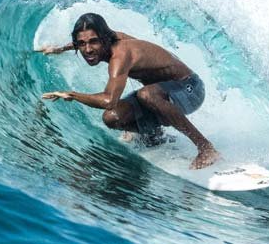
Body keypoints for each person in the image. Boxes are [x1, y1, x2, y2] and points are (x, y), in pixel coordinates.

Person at [37, 13, 220, 169]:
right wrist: (60, 48)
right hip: (163, 96)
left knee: (146, 94)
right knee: (112, 117)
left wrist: (72, 95)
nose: (88, 49)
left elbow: (109, 100)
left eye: (93, 42)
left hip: (190, 90)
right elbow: (111, 109)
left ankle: (206, 148)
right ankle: (155, 137)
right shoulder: (110, 38)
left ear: (105, 39)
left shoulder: (121, 55)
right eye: (81, 44)